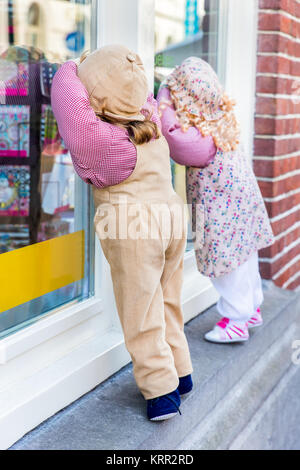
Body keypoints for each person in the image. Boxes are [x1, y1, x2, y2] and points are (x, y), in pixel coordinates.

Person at [51, 45, 193, 421]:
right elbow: (132, 85)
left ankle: (161, 390)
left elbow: (69, 105)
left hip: (135, 228)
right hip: (172, 217)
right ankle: (182, 372)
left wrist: (71, 65)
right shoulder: (149, 117)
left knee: (140, 311)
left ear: (95, 98)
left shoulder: (107, 142)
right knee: (168, 300)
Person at [157, 57, 274, 344]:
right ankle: (251, 308)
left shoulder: (199, 137)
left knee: (227, 266)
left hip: (222, 212)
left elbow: (172, 136)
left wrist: (162, 97)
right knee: (245, 257)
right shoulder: (220, 118)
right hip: (241, 207)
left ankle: (236, 320)